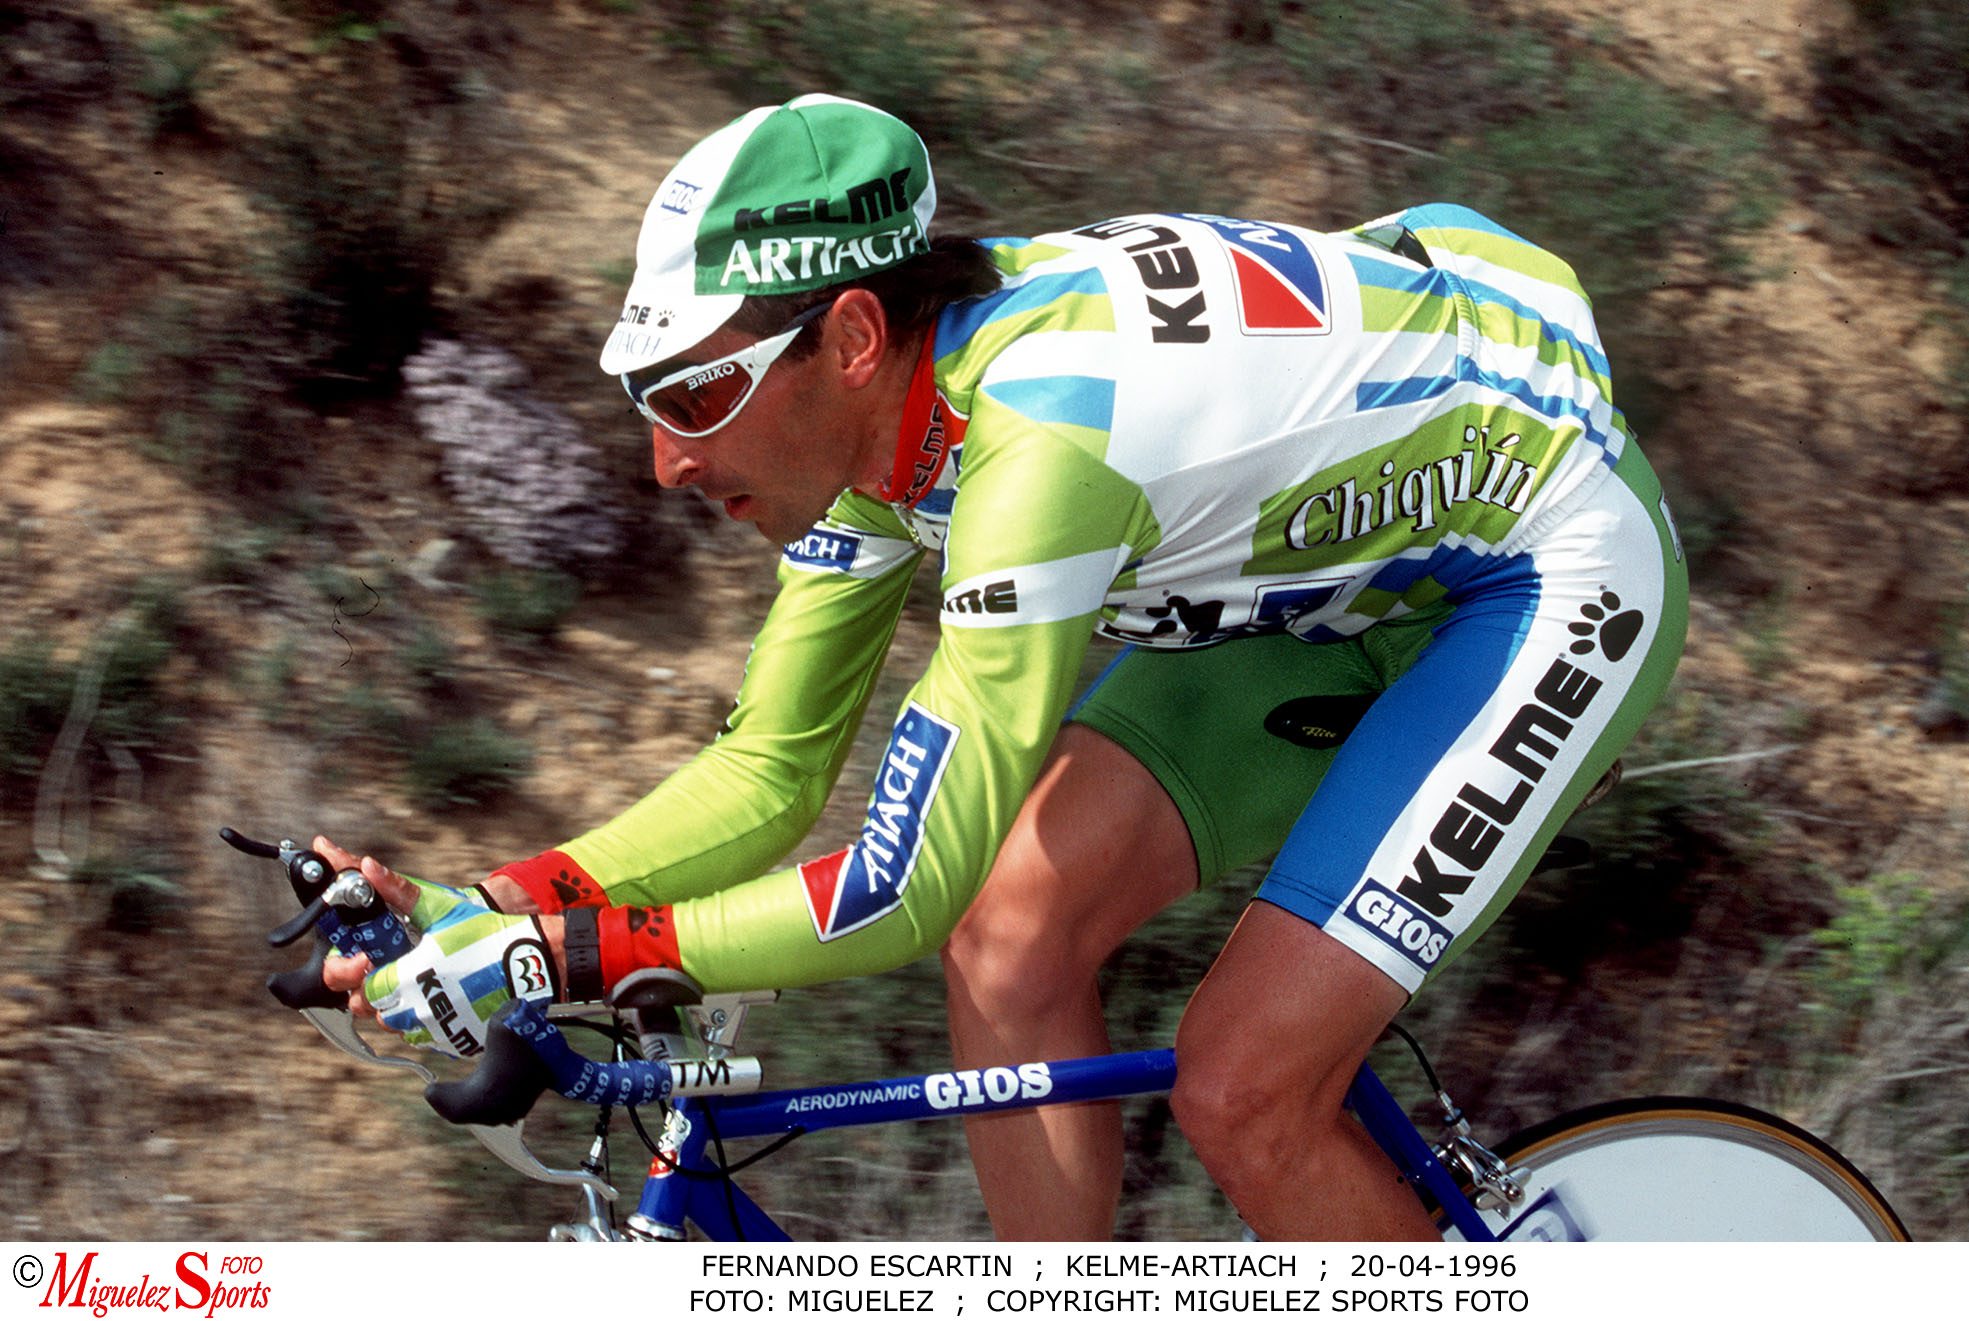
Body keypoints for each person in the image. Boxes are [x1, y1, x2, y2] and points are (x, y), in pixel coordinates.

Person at [321, 92, 1688, 1240]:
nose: (667, 461)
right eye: (646, 399)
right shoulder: (880, 427)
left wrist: (565, 955)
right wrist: (493, 905)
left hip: (1540, 573)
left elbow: (895, 887)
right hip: (1332, 578)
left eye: (696, 395)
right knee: (1010, 935)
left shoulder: (1043, 449)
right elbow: (769, 770)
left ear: (851, 339)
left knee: (1242, 1090)